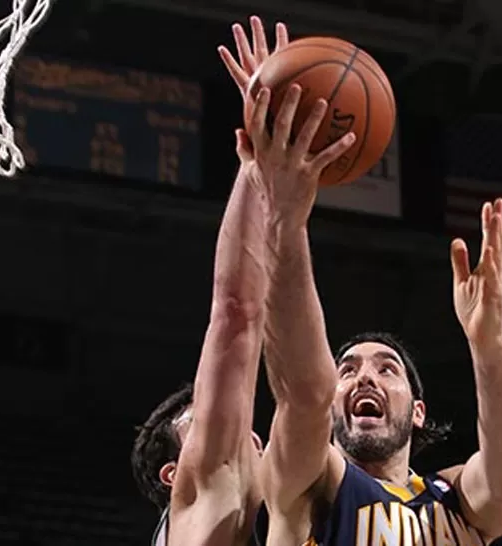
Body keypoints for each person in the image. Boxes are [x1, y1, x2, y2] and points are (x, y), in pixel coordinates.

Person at [240, 33, 502, 540]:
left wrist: (489, 344)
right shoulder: (310, 485)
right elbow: (302, 393)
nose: (364, 379)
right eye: (348, 369)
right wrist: (286, 226)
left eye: (387, 369)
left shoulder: (458, 504)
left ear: (418, 412)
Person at [130, 16, 356, 546]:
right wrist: (259, 166)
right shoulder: (209, 498)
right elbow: (236, 315)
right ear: (174, 476)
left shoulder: (283, 510)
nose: (239, 425)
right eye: (197, 419)